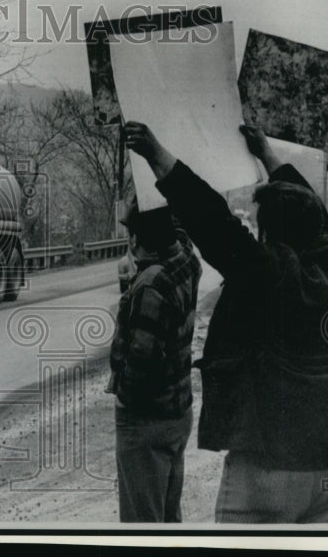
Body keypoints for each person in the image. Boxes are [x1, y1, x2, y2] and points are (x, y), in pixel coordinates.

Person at [124, 121, 328, 523]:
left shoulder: (270, 273)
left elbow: (212, 223)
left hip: (270, 467)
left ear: (270, 230)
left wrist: (157, 155)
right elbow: (319, 218)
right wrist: (267, 155)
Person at [108, 201, 202, 522]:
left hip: (146, 420)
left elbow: (140, 360)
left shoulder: (151, 284)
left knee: (142, 524)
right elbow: (179, 237)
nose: (131, 242)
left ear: (139, 238)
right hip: (178, 411)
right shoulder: (188, 262)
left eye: (133, 234)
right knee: (167, 517)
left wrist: (124, 398)